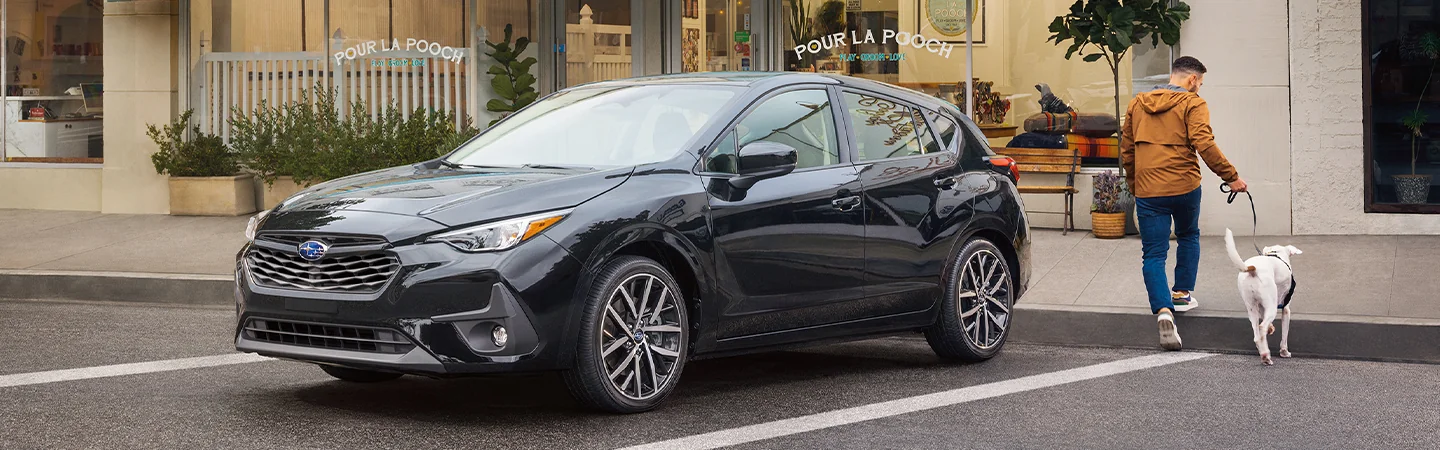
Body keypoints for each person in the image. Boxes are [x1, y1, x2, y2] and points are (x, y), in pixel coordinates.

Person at [1120, 56, 1246, 351]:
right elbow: (1204, 143)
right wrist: (1232, 177)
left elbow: (1126, 149)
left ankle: (1163, 311)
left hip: (1149, 189)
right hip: (1185, 186)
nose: (1199, 89)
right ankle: (1181, 294)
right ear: (1192, 80)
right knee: (1188, 235)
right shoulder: (1193, 103)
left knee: (1153, 253)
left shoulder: (1137, 103)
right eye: (1200, 83)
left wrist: (1136, 186)